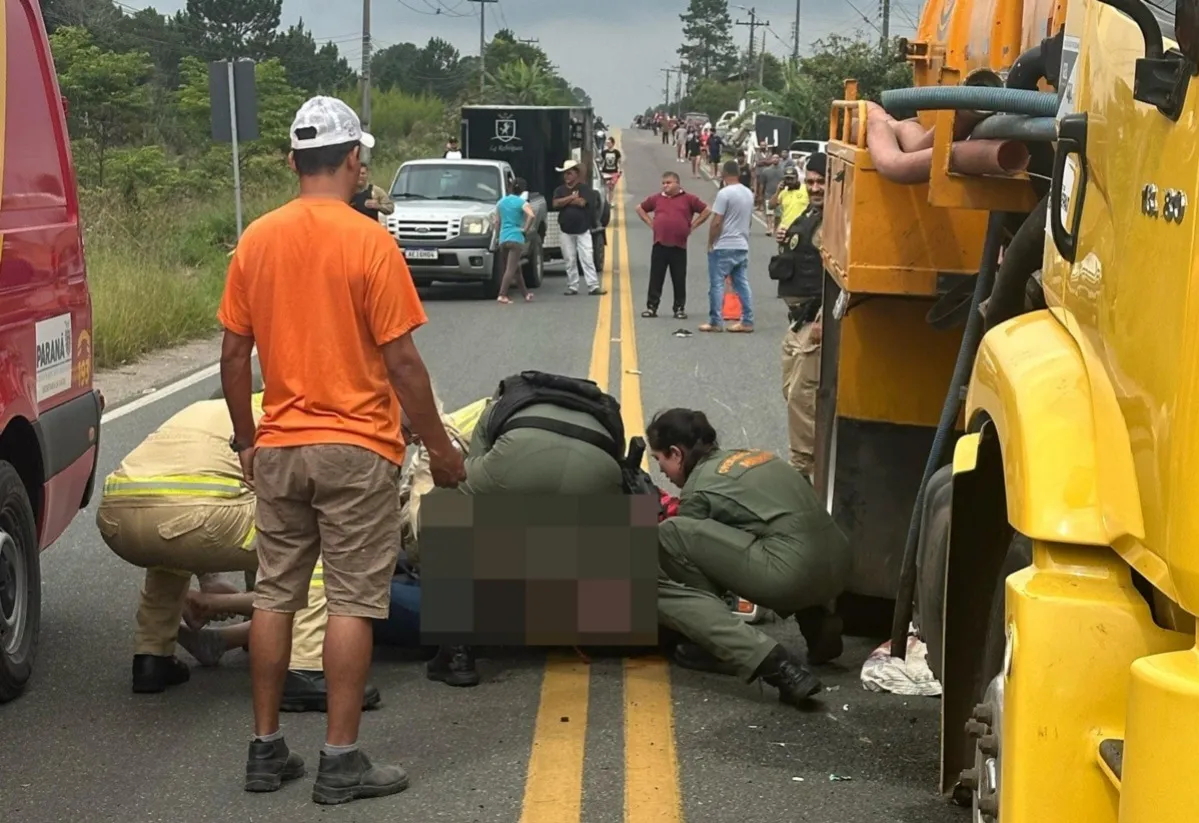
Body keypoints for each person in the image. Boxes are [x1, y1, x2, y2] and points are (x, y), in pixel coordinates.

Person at [217, 95, 466, 806]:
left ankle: (265, 749)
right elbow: (403, 363)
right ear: (354, 160)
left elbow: (233, 355)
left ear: (293, 161)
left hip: (280, 446)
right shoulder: (370, 242)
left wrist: (247, 439)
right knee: (353, 600)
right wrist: (441, 450)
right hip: (356, 447)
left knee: (276, 594)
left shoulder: (257, 239)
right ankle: (340, 759)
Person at [95, 393, 379, 712]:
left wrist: (209, 578)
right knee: (310, 535)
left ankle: (151, 657)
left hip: (116, 519)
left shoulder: (198, 410)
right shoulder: (280, 414)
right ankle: (305, 667)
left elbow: (176, 514)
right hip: (197, 517)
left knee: (169, 550)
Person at [422, 371, 631, 683]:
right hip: (598, 470)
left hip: (519, 458)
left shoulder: (499, 405)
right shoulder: (605, 412)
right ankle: (600, 625)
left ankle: (457, 652)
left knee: (444, 507)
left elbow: (476, 498)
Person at [646, 409, 852, 706]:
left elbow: (696, 560)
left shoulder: (698, 489)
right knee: (784, 533)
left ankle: (715, 643)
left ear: (676, 454)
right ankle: (819, 623)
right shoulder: (754, 457)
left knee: (670, 534)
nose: (662, 471)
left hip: (791, 574)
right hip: (840, 564)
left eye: (659, 460)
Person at [773, 153, 828, 480]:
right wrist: (785, 239)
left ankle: (804, 470)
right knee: (790, 392)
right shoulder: (809, 214)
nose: (815, 188)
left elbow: (836, 276)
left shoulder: (836, 222)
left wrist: (823, 320)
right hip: (796, 322)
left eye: (821, 182)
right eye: (811, 182)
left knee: (802, 397)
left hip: (815, 322)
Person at [635, 171, 711, 320]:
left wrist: (692, 226)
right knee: (656, 277)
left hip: (679, 246)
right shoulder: (657, 198)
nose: (665, 186)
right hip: (660, 243)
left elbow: (706, 210)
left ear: (677, 183)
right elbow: (640, 208)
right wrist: (651, 223)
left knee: (679, 278)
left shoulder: (689, 199)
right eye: (663, 183)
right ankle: (652, 307)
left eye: (669, 183)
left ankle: (679, 308)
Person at [701, 160, 755, 334]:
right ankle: (747, 320)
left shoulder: (724, 193)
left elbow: (717, 221)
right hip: (741, 244)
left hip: (724, 244)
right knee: (742, 284)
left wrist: (711, 242)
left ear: (723, 174)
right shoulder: (748, 193)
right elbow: (749, 220)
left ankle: (715, 321)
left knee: (717, 284)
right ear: (738, 173)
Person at [552, 159, 606, 296]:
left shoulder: (585, 189)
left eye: (569, 173)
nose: (567, 176)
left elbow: (582, 202)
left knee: (587, 257)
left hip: (583, 229)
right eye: (565, 173)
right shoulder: (559, 190)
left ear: (576, 174)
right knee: (569, 259)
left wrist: (565, 201)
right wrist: (571, 198)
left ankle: (593, 286)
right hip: (565, 230)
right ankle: (573, 286)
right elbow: (555, 204)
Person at [494, 176, 537, 305]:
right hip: (516, 238)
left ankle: (526, 294)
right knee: (511, 269)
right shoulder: (521, 202)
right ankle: (502, 294)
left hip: (503, 238)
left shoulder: (501, 202)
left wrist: (497, 237)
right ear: (523, 190)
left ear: (510, 187)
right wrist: (525, 229)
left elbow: (497, 222)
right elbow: (531, 215)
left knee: (516, 268)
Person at [769, 164, 810, 239]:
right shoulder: (783, 192)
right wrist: (778, 191)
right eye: (787, 179)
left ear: (797, 178)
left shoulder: (806, 189)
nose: (789, 181)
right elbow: (771, 206)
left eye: (791, 178)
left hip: (802, 228)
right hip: (785, 229)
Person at [756, 150, 783, 236]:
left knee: (778, 214)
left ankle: (775, 228)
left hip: (780, 195)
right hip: (768, 194)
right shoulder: (766, 171)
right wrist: (760, 195)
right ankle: (769, 228)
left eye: (777, 158)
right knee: (769, 213)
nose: (775, 159)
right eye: (774, 158)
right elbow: (762, 184)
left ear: (779, 159)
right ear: (771, 159)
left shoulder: (783, 170)